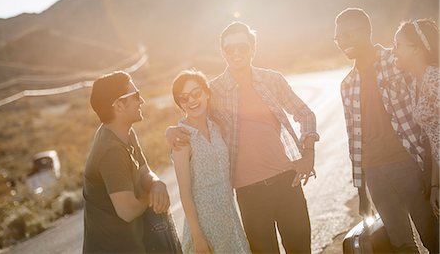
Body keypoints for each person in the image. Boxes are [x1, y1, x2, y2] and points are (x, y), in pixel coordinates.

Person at [167, 22, 319, 253]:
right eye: (230, 49)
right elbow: (194, 115)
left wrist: (308, 153)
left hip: (288, 182)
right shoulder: (214, 90)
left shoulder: (272, 80)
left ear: (253, 48)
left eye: (242, 47)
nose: (236, 53)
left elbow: (304, 113)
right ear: (223, 52)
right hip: (249, 194)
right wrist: (171, 130)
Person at [335, 8, 438, 253]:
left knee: (432, 236)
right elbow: (354, 140)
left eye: (348, 35)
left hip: (409, 162)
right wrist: (361, 190)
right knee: (401, 243)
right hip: (374, 172)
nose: (343, 43)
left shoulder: (395, 61)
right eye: (339, 38)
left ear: (366, 32)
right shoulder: (347, 85)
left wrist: (431, 169)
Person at [83, 71, 170, 253]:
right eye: (136, 96)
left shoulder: (124, 132)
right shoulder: (111, 151)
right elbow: (127, 210)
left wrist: (156, 184)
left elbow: (145, 172)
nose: (142, 101)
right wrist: (152, 197)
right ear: (119, 105)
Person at [171, 69, 250, 254]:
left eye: (196, 93)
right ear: (180, 104)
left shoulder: (217, 127)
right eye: (184, 98)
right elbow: (185, 194)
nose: (191, 100)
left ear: (206, 93)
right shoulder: (181, 139)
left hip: (230, 220)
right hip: (205, 227)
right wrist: (198, 237)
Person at [393, 19, 439, 218]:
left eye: (398, 46)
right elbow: (433, 137)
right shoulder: (415, 85)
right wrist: (435, 185)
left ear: (416, 49)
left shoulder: (435, 80)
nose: (394, 51)